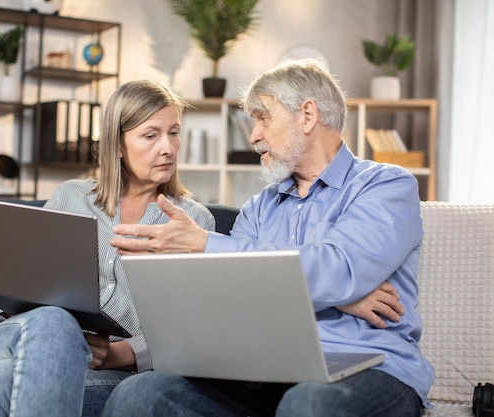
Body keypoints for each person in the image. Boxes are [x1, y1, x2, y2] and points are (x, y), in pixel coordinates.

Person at [104, 59, 435, 417]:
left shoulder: (386, 186)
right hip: (262, 377)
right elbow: (231, 299)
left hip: (366, 370)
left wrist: (205, 244)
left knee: (307, 404)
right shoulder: (259, 208)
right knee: (139, 395)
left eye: (264, 118)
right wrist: (340, 299)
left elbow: (340, 269)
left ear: (307, 116)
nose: (254, 135)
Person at [0, 80, 217, 417]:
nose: (168, 148)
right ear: (118, 145)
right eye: (151, 135)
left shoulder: (194, 224)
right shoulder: (70, 197)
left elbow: (192, 333)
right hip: (14, 338)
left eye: (174, 132)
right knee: (53, 323)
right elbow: (4, 302)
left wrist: (119, 354)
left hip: (105, 369)